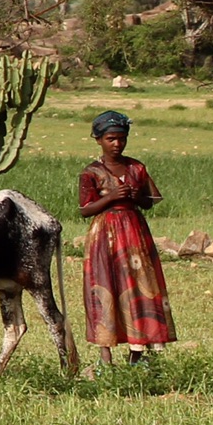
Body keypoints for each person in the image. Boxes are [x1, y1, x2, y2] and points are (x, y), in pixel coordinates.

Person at [78, 110, 175, 366]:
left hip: (134, 232)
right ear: (98, 140)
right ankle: (105, 358)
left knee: (138, 287)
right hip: (104, 235)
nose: (117, 144)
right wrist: (110, 197)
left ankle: (138, 352)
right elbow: (84, 209)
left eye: (121, 138)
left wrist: (134, 197)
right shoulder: (91, 172)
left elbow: (149, 203)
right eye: (111, 138)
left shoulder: (136, 167)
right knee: (105, 287)